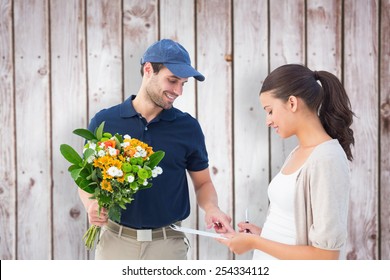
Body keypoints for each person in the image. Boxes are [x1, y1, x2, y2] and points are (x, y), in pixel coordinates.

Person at [78, 39, 234, 260]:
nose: (178, 91)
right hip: (115, 243)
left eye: (183, 84)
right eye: (172, 81)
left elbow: (203, 182)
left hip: (168, 245)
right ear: (148, 69)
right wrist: (90, 203)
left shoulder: (187, 127)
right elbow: (85, 179)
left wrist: (212, 208)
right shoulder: (105, 121)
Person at [219, 64, 355, 260]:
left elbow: (326, 256)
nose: (268, 121)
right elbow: (291, 229)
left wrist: (256, 243)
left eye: (270, 110)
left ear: (292, 103)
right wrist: (262, 235)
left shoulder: (327, 159)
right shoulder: (298, 153)